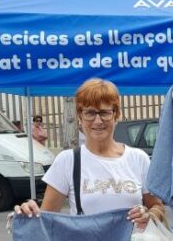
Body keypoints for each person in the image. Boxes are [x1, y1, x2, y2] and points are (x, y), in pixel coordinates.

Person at [15, 78, 163, 227]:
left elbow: (157, 207)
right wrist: (29, 212)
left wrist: (149, 215)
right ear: (80, 116)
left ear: (116, 115)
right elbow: (45, 220)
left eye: (104, 112)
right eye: (90, 113)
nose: (98, 121)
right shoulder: (67, 161)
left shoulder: (138, 159)